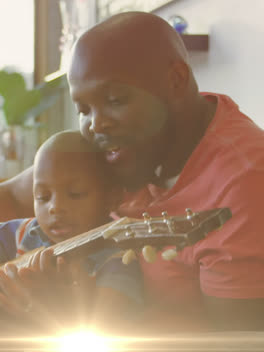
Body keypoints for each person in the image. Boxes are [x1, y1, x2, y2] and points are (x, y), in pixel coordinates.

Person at [0, 11, 264, 333]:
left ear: (176, 81)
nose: (96, 124)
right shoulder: (114, 147)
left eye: (115, 100)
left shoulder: (242, 183)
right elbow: (12, 195)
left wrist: (65, 314)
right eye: (83, 110)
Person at [0, 130, 143, 334]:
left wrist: (56, 307)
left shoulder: (118, 262)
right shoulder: (25, 232)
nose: (55, 207)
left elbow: (103, 331)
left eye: (75, 194)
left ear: (111, 198)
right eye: (43, 196)